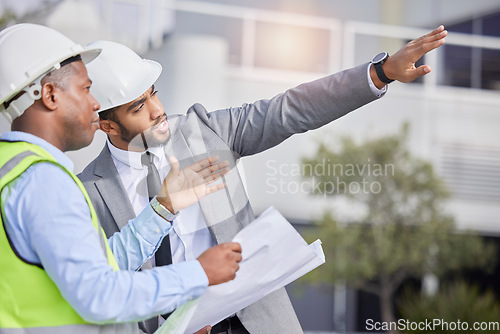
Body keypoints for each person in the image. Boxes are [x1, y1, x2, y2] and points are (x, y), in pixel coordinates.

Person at [79, 26, 447, 334]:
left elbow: (289, 110)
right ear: (108, 125)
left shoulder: (202, 131)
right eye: (139, 107)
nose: (159, 110)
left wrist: (379, 73)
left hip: (258, 322)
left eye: (153, 94)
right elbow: (105, 285)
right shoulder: (88, 190)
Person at [0, 23, 243, 334]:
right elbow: (100, 294)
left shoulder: (15, 168)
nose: (96, 104)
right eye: (86, 90)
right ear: (49, 94)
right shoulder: (44, 180)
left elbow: (101, 265)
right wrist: (198, 273)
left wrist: (163, 208)